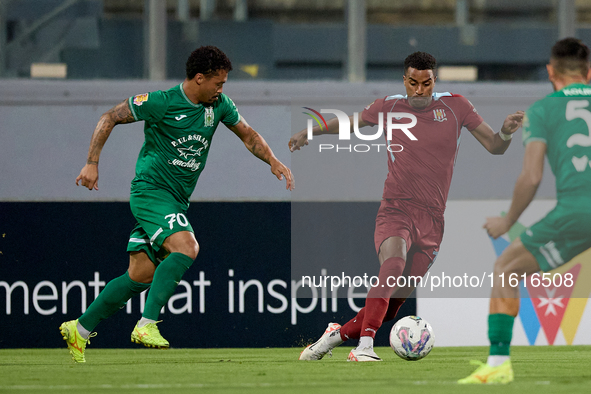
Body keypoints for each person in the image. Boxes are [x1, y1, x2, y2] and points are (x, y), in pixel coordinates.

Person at [60, 45, 293, 363]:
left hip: (176, 201)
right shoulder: (161, 102)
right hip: (151, 193)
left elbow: (248, 134)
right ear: (200, 78)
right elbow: (109, 117)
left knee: (139, 275)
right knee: (187, 247)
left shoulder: (219, 106)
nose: (221, 89)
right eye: (218, 83)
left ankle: (80, 329)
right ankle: (146, 324)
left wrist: (272, 159)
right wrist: (91, 162)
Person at [289, 51, 524, 362]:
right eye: (413, 83)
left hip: (433, 221)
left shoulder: (456, 106)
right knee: (393, 264)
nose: (419, 90)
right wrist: (311, 131)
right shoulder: (389, 106)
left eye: (425, 84)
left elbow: (495, 147)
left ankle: (336, 336)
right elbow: (350, 123)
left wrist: (506, 130)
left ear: (434, 81)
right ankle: (365, 347)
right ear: (405, 81)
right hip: (396, 209)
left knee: (394, 305)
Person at [459, 38, 591, 384]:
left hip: (579, 211)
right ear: (588, 73)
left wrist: (508, 221)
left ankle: (499, 363)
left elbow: (531, 177)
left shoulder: (543, 110)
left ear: (550, 72)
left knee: (506, 267)